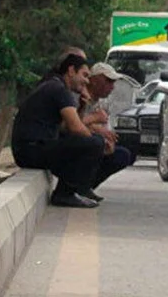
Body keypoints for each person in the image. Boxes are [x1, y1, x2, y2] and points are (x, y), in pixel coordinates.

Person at [10, 53, 103, 208]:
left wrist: (83, 106)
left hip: (27, 150)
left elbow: (66, 128)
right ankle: (65, 194)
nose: (87, 81)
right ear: (71, 70)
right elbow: (76, 128)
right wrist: (98, 144)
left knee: (90, 143)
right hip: (32, 150)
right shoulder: (59, 89)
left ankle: (75, 189)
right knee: (95, 143)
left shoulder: (52, 84)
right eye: (84, 75)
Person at [78, 63, 138, 199]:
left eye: (113, 82)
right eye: (108, 81)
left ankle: (86, 187)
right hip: (73, 142)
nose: (112, 87)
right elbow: (71, 123)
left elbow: (106, 128)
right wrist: (95, 122)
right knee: (94, 144)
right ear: (94, 80)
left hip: (90, 140)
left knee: (121, 154)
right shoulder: (80, 96)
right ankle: (77, 187)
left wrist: (108, 139)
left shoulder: (101, 103)